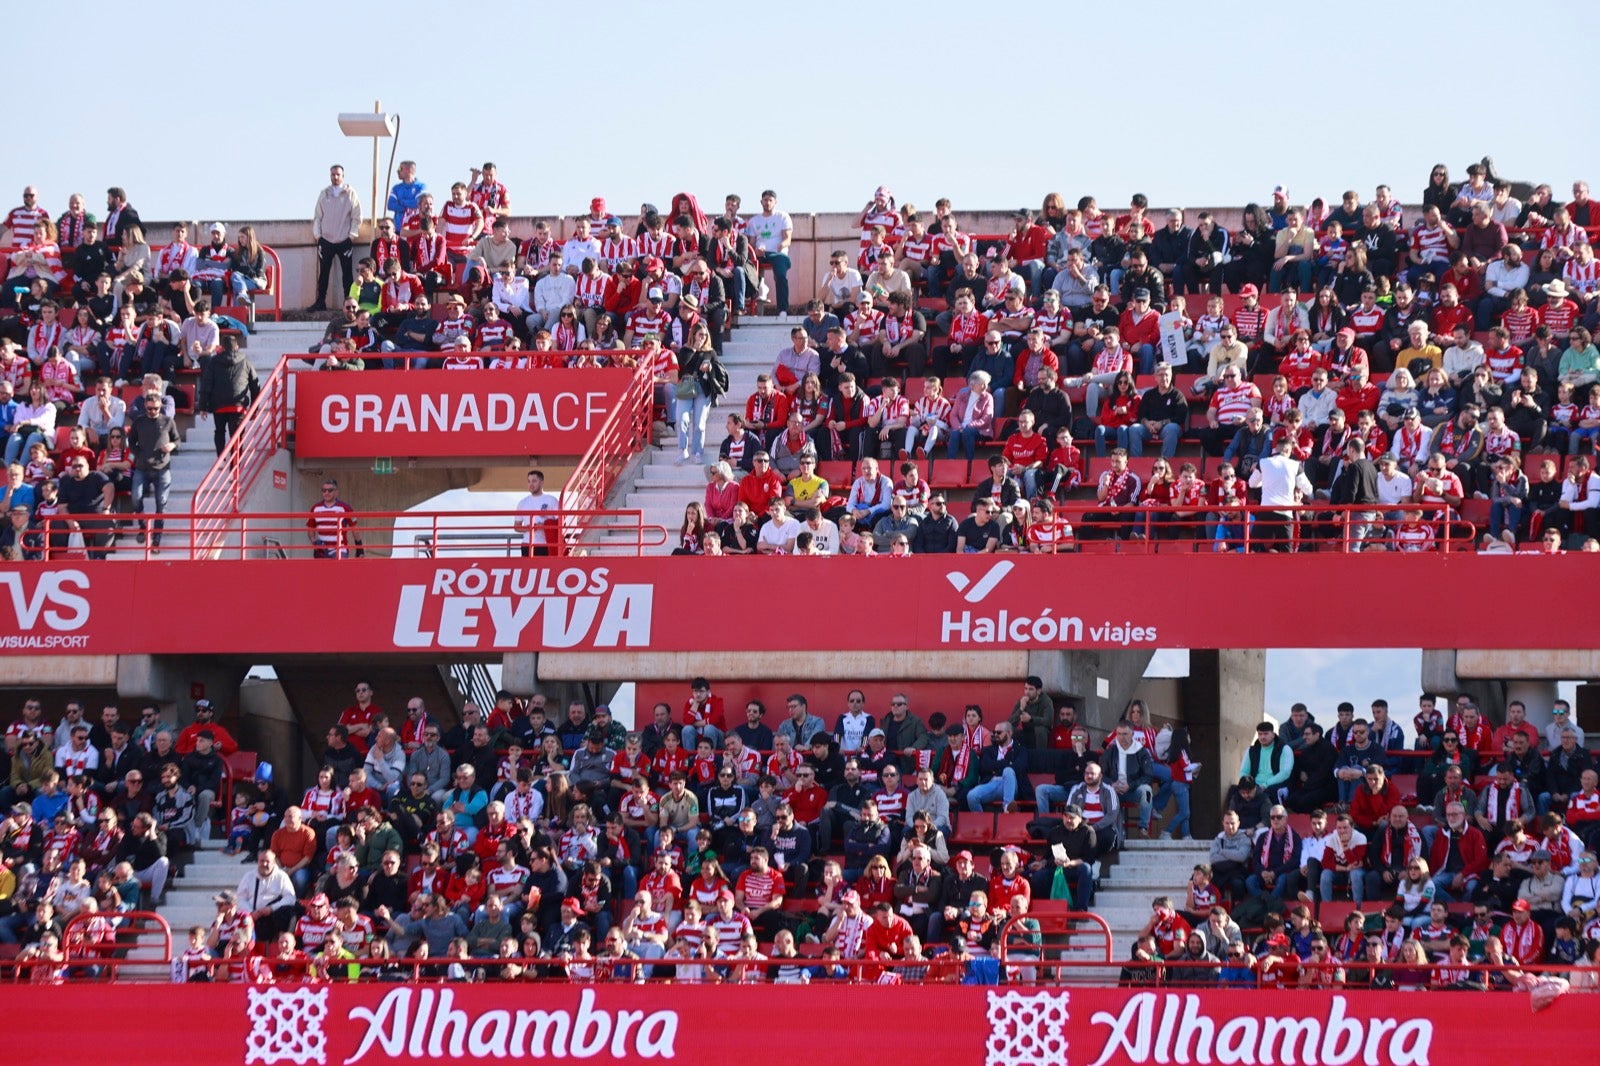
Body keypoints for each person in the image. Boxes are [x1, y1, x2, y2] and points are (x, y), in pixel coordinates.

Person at [127, 391, 179, 552]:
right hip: (142, 467)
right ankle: (143, 526)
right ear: (145, 407)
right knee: (135, 498)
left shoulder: (168, 421)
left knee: (161, 503)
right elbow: (131, 441)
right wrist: (138, 454)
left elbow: (176, 439)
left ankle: (156, 539)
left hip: (162, 468)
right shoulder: (139, 422)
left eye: (156, 408)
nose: (153, 412)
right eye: (150, 409)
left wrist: (172, 446)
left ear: (160, 407)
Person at [311, 165, 362, 313]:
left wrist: (351, 236)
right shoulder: (324, 194)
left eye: (338, 174)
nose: (335, 177)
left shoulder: (350, 193)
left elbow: (356, 216)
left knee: (347, 274)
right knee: (324, 273)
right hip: (326, 240)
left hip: (344, 240)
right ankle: (320, 302)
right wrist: (318, 236)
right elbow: (317, 217)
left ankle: (349, 304)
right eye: (333, 174)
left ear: (343, 176)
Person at [515, 469, 559, 558]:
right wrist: (529, 528)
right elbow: (517, 526)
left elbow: (561, 523)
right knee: (527, 571)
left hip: (545, 544)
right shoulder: (522, 503)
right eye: (529, 481)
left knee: (547, 571)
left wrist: (544, 526)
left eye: (534, 481)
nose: (531, 484)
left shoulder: (551, 500)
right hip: (527, 544)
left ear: (542, 483)